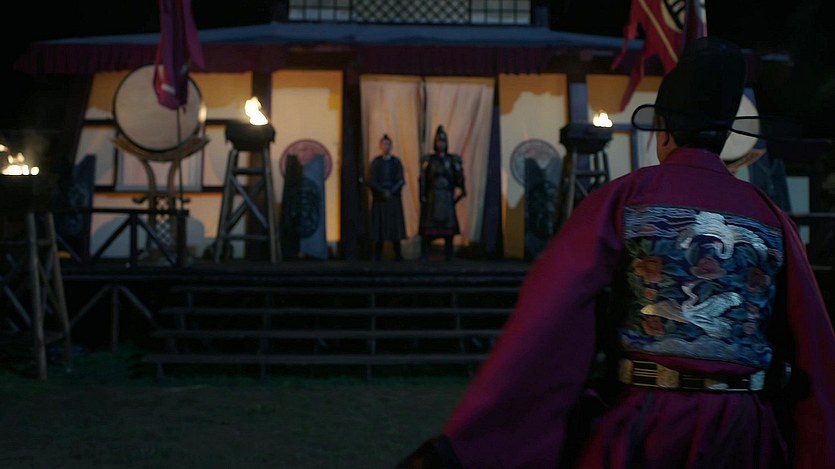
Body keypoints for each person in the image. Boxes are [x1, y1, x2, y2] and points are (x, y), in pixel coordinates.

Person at [397, 37, 835, 468]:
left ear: (663, 129)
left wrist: (470, 443)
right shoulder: (769, 216)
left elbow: (552, 311)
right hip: (744, 431)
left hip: (648, 423)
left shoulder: (627, 198)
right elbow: (814, 342)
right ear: (724, 137)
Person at [419, 125, 466, 261]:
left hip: (446, 197)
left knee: (448, 230)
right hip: (433, 196)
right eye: (439, 141)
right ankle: (425, 253)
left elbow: (458, 180)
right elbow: (423, 180)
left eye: (443, 141)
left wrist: (459, 172)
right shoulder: (430, 160)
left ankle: (449, 254)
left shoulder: (451, 160)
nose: (441, 144)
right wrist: (422, 195)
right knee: (429, 228)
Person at [367, 133, 407, 261]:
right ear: (380, 146)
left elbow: (401, 180)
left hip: (393, 198)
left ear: (391, 146)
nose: (386, 147)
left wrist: (391, 191)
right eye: (384, 144)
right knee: (379, 228)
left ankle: (398, 254)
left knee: (395, 228)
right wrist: (382, 191)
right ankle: (377, 254)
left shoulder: (396, 162)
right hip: (380, 198)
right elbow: (371, 180)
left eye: (388, 144)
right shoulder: (376, 162)